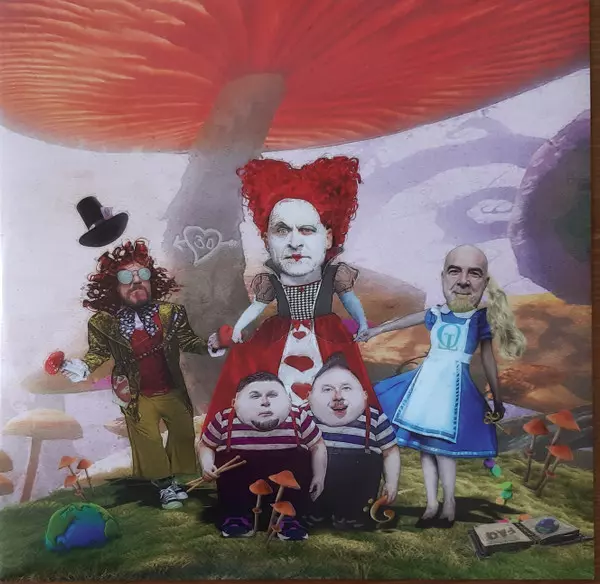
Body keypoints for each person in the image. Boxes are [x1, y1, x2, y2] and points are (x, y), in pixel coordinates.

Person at [202, 156, 382, 432]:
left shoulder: (335, 276)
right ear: (266, 239)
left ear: (328, 237)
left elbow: (350, 300)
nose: (294, 241)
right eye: (282, 230)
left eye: (307, 230)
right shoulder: (271, 281)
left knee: (335, 385)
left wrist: (362, 322)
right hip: (279, 333)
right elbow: (257, 306)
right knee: (264, 377)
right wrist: (237, 328)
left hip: (327, 334)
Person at [356, 244, 526, 528]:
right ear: (443, 277)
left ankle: (449, 504)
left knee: (444, 450)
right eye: (455, 271)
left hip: (453, 389)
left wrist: (496, 398)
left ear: (484, 282)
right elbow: (406, 321)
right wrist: (377, 330)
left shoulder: (479, 319)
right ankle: (431, 505)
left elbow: (488, 359)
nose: (463, 281)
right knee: (426, 448)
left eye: (474, 274)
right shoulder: (436, 313)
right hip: (425, 385)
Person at [57, 239, 225, 510]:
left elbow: (189, 342)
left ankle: (175, 479)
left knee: (183, 432)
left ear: (152, 279)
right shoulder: (102, 323)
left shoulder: (171, 313)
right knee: (148, 440)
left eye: (143, 274)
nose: (136, 282)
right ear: (113, 286)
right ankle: (165, 486)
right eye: (126, 277)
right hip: (134, 394)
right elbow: (97, 354)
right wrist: (81, 368)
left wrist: (212, 345)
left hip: (171, 388)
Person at [199, 372, 327, 540]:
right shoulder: (224, 419)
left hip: (287, 491)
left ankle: (289, 520)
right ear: (235, 402)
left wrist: (319, 475)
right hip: (239, 490)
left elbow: (317, 445)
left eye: (272, 395)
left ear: (288, 400)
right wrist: (207, 464)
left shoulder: (299, 417)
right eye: (255, 396)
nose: (265, 402)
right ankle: (236, 518)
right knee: (233, 486)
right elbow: (206, 445)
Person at [305, 353, 401, 530]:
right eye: (327, 389)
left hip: (357, 494)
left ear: (364, 394)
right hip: (316, 492)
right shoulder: (306, 418)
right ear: (310, 397)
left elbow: (390, 451)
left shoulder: (375, 418)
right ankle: (314, 514)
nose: (337, 396)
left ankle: (352, 517)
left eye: (346, 388)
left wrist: (391, 482)